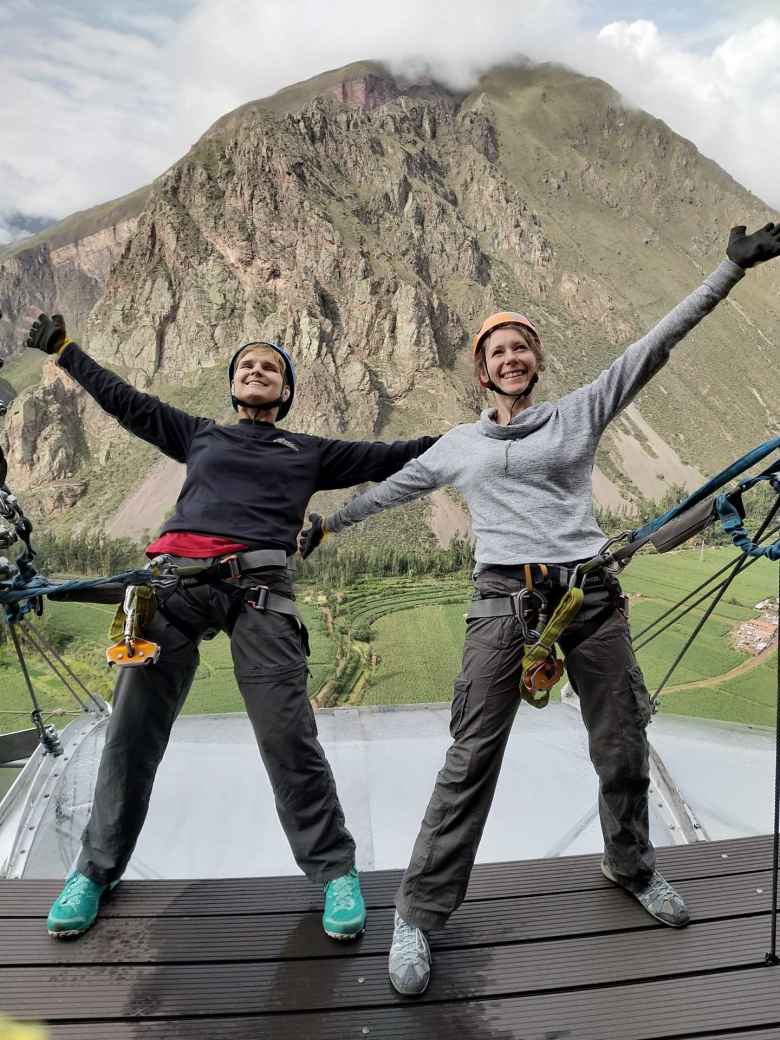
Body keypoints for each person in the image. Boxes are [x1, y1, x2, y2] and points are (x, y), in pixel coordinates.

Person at [299, 223, 780, 995]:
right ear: (481, 373)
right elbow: (395, 491)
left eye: (521, 347)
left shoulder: (579, 413)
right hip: (502, 603)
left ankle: (629, 866)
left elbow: (655, 347)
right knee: (471, 757)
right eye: (497, 351)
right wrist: (328, 523)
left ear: (536, 361)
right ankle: (418, 915)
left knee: (622, 742)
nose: (511, 358)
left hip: (591, 596)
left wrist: (728, 268)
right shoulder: (459, 443)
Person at [22, 314, 438, 941]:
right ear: (233, 385)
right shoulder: (200, 436)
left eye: (270, 366)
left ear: (285, 391)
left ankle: (334, 873)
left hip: (258, 592)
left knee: (287, 733)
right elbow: (126, 404)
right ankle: (94, 870)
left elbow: (390, 457)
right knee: (130, 733)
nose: (256, 369)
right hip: (173, 588)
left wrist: (470, 438)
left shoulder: (309, 452)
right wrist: (66, 351)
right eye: (246, 363)